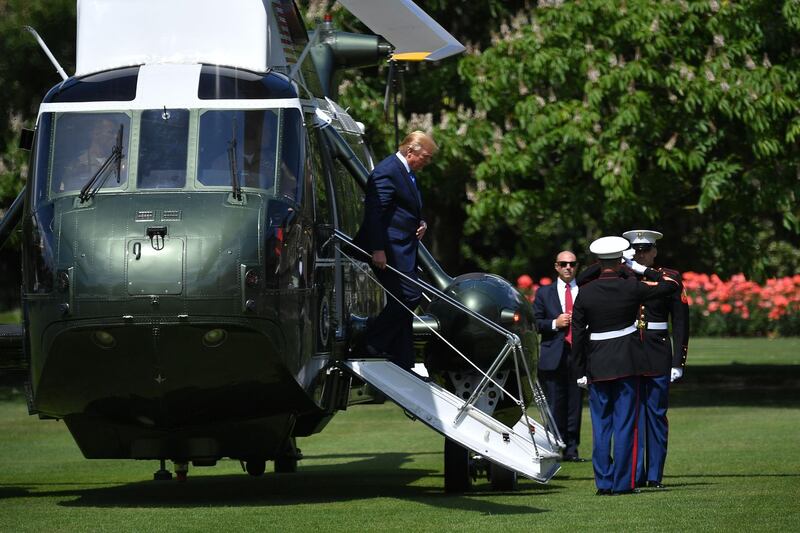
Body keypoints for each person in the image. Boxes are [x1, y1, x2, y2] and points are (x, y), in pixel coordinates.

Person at [571, 236, 679, 495]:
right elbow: (670, 286)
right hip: (627, 364)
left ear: (598, 262)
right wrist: (642, 269)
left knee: (601, 426)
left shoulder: (585, 292)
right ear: (621, 261)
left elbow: (577, 335)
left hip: (597, 364)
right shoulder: (631, 286)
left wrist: (579, 371)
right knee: (624, 425)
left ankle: (603, 483)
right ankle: (622, 484)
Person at [354, 131, 436, 371]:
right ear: (411, 152)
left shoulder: (407, 173)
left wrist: (421, 222)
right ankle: (371, 342)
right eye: (426, 157)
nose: (427, 162)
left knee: (405, 301)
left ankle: (403, 359)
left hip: (404, 247)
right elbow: (375, 213)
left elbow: (405, 207)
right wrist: (378, 249)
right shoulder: (386, 171)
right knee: (409, 296)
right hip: (389, 250)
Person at [622, 229, 690, 489]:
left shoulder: (669, 277)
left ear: (654, 251)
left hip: (658, 350)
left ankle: (654, 475)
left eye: (645, 250)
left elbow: (681, 321)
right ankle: (636, 474)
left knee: (656, 416)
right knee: (634, 416)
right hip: (630, 351)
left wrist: (678, 363)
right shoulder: (623, 274)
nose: (640, 254)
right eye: (636, 250)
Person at [533, 250, 585, 461]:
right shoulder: (544, 293)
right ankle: (554, 446)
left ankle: (571, 449)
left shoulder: (585, 290)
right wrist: (555, 323)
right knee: (554, 404)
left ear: (576, 267)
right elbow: (535, 323)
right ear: (556, 266)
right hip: (553, 355)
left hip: (579, 354)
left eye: (572, 264)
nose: (568, 268)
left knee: (575, 404)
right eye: (563, 264)